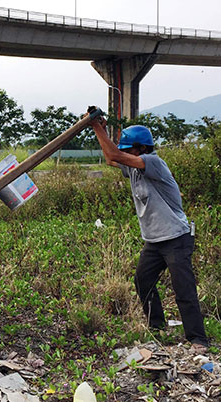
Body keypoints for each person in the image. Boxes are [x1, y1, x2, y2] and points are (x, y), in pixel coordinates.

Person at [89, 116, 209, 353]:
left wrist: (95, 127)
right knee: (143, 281)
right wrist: (100, 130)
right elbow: (110, 157)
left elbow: (116, 155)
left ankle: (198, 339)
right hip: (154, 242)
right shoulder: (133, 169)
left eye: (131, 149)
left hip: (176, 237)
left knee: (183, 288)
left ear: (142, 149)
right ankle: (157, 327)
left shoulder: (153, 162)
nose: (128, 154)